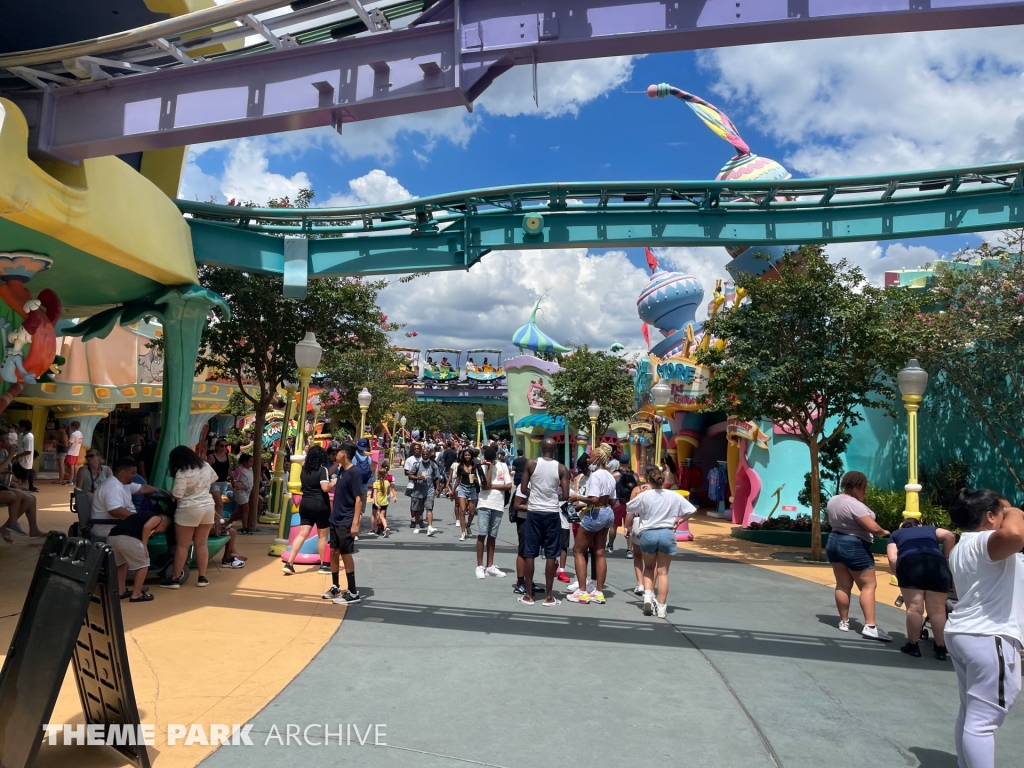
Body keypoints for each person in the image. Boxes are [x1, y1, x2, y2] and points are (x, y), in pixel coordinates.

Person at [945, 489, 1024, 768]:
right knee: (982, 721)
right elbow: (1015, 535)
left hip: (965, 633)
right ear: (990, 517)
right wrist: (1014, 509)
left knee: (971, 714)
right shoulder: (983, 542)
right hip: (988, 635)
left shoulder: (962, 547)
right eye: (1002, 513)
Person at [825, 471, 892, 642]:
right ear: (858, 486)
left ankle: (844, 622)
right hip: (853, 545)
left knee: (842, 585)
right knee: (868, 585)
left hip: (834, 541)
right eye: (865, 487)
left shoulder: (834, 500)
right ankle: (870, 627)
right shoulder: (855, 505)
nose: (866, 491)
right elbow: (874, 528)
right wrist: (885, 532)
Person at [625, 465, 696, 617]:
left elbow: (629, 508)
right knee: (663, 573)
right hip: (666, 533)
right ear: (663, 481)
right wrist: (679, 521)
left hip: (648, 533)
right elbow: (692, 510)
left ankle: (648, 598)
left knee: (649, 568)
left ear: (649, 481)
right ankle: (662, 608)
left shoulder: (645, 495)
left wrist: (641, 495)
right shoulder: (673, 495)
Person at [886, 518, 956, 659]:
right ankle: (940, 648)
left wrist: (900, 576)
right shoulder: (930, 529)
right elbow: (950, 536)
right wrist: (945, 557)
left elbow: (893, 559)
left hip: (910, 564)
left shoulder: (896, 534)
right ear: (919, 524)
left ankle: (913, 645)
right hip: (937, 565)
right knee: (937, 610)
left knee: (914, 608)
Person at [519, 438, 571, 606]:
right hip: (551, 513)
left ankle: (528, 595)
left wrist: (535, 494)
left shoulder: (531, 463)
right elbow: (566, 495)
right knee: (551, 554)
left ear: (541, 449)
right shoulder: (561, 468)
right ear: (555, 451)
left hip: (534, 511)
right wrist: (551, 496)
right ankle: (548, 596)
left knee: (530, 553)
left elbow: (523, 488)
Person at [161, 447, 218, 589]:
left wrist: (169, 492)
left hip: (188, 509)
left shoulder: (182, 471)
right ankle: (202, 577)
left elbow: (178, 495)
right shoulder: (205, 465)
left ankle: (174, 579)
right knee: (201, 544)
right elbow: (214, 478)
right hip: (207, 507)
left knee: (182, 546)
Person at [567, 444, 617, 604]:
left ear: (597, 458)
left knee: (578, 550)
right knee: (600, 552)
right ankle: (599, 592)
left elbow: (594, 499)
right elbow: (612, 500)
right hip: (607, 512)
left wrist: (578, 498)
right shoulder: (610, 476)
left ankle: (582, 591)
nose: (588, 459)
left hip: (595, 513)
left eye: (590, 456)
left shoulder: (595, 476)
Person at [323, 442, 363, 605]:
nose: (335, 454)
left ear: (344, 454)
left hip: (346, 520)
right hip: (335, 518)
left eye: (338, 452)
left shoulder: (354, 473)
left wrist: (355, 523)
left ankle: (353, 592)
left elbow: (358, 500)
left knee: (346, 554)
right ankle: (335, 585)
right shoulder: (341, 470)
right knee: (334, 551)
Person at [285, 444, 334, 575]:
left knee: (302, 534)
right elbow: (325, 488)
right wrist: (333, 483)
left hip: (305, 504)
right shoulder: (322, 470)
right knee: (322, 536)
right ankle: (324, 565)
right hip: (320, 505)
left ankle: (289, 563)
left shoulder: (304, 471)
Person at [91, 456, 160, 542]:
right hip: (110, 529)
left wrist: (166, 492)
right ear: (122, 473)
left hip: (120, 525)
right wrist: (138, 519)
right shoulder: (113, 487)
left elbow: (143, 488)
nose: (135, 476)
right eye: (132, 473)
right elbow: (115, 511)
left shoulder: (123, 484)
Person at [107, 511, 172, 602]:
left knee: (121, 564)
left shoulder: (140, 516)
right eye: (160, 530)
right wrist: (144, 545)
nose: (156, 532)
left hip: (112, 538)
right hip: (128, 538)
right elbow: (147, 527)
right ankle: (137, 594)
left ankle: (120, 591)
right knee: (143, 564)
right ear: (163, 524)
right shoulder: (158, 518)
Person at [475, 445, 511, 579]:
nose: (490, 461)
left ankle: (490, 566)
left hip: (498, 504)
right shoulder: (481, 467)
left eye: (492, 460)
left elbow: (508, 485)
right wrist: (489, 467)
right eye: (488, 459)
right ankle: (480, 566)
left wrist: (492, 486)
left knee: (492, 535)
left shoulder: (503, 466)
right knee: (482, 533)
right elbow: (484, 485)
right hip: (485, 504)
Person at [0, 437, 43, 541]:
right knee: (16, 495)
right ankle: (11, 524)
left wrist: (17, 482)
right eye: (4, 440)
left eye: (7, 439)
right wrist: (11, 456)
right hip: (3, 487)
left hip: (3, 485)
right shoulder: (6, 454)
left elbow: (8, 470)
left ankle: (33, 530)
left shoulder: (4, 452)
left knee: (31, 498)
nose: (8, 442)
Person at [453, 448, 484, 541]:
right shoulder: (460, 466)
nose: (467, 457)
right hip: (462, 488)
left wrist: (476, 480)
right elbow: (458, 479)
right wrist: (452, 490)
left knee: (471, 512)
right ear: (463, 456)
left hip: (472, 489)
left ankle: (468, 525)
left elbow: (480, 478)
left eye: (469, 455)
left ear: (472, 456)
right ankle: (463, 532)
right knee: (462, 510)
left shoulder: (475, 466)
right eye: (465, 455)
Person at [409, 448, 441, 536]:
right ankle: (417, 526)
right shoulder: (417, 465)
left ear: (429, 455)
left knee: (429, 508)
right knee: (418, 510)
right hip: (418, 491)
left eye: (427, 454)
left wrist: (437, 489)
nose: (425, 456)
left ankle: (430, 527)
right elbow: (410, 475)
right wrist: (418, 478)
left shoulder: (433, 465)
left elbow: (437, 477)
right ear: (421, 455)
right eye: (424, 454)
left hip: (429, 490)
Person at [207, 438, 234, 528]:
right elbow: (206, 470)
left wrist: (233, 480)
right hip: (214, 483)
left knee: (215, 503)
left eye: (226, 446)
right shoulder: (212, 457)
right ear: (217, 447)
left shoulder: (228, 457)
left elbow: (229, 470)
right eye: (222, 445)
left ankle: (213, 522)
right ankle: (220, 524)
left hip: (223, 482)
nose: (224, 448)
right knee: (220, 504)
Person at [230, 453, 254, 532]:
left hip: (247, 492)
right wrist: (237, 486)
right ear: (244, 462)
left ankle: (228, 522)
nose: (252, 463)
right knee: (246, 508)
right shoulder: (239, 469)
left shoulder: (250, 469)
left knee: (240, 510)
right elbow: (234, 480)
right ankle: (245, 527)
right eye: (250, 461)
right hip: (240, 491)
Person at [370, 464, 397, 537]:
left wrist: (375, 502)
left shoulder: (375, 483)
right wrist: (392, 496)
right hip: (385, 502)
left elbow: (375, 494)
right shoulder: (387, 482)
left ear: (378, 475)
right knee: (382, 516)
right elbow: (388, 492)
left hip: (377, 502)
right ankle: (386, 527)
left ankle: (372, 529)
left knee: (374, 515)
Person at [354, 437, 376, 524]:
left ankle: (351, 528)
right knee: (360, 511)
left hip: (354, 487)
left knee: (352, 509)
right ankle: (357, 531)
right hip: (364, 487)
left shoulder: (353, 457)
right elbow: (371, 473)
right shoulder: (369, 459)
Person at [13, 420, 38, 492]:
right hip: (19, 460)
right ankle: (20, 491)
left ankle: (25, 492)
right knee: (18, 477)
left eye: (19, 426)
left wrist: (17, 456)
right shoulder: (21, 435)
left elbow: (28, 451)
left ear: (23, 428)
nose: (18, 428)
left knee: (24, 479)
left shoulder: (29, 437)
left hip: (25, 461)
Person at [64, 421, 84, 486]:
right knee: (75, 466)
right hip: (76, 451)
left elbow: (69, 444)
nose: (70, 427)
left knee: (71, 466)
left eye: (71, 426)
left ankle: (70, 480)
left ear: (73, 426)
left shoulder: (73, 434)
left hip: (72, 452)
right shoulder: (80, 434)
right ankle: (74, 479)